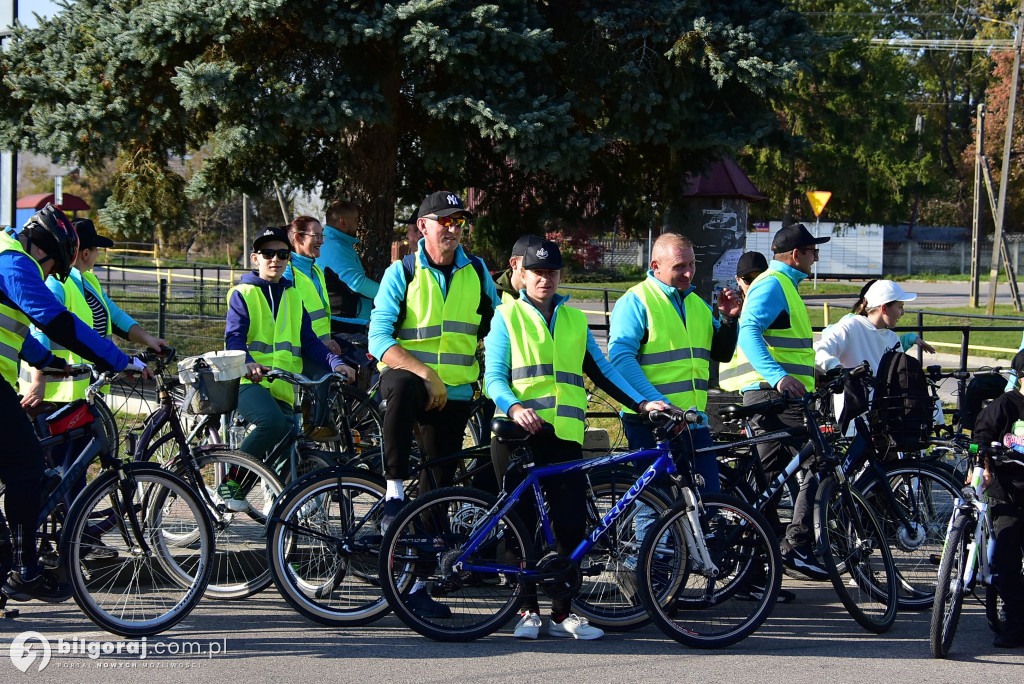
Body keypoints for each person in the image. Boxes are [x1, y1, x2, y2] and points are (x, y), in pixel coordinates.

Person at [485, 238, 670, 640]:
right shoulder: (506, 316)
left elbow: (602, 371)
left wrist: (643, 404)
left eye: (552, 273)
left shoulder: (573, 319)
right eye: (538, 273)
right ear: (523, 275)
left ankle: (562, 613)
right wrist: (514, 406)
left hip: (565, 434)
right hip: (518, 434)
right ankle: (527, 611)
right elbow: (494, 376)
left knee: (570, 524)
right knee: (522, 526)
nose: (545, 279)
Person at [0, 204, 145, 602]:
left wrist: (52, 362)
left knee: (23, 468)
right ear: (45, 250)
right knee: (27, 467)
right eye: (52, 268)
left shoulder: (10, 255)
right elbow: (54, 319)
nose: (48, 276)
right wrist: (119, 360)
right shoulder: (14, 261)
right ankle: (25, 570)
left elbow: (17, 332)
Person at [368, 190, 500, 619]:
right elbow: (378, 339)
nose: (453, 228)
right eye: (444, 221)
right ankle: (392, 489)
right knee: (406, 386)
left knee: (438, 490)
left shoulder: (476, 270)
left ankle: (418, 585)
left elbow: (498, 328)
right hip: (409, 382)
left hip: (456, 395)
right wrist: (427, 374)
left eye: (459, 221)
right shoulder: (401, 272)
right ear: (422, 227)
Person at [223, 227, 354, 505]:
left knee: (288, 440)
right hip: (249, 382)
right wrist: (248, 363)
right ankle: (229, 486)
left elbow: (310, 341)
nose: (275, 259)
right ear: (255, 258)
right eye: (268, 254)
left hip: (284, 386)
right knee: (270, 424)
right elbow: (234, 337)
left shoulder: (294, 296)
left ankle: (282, 511)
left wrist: (336, 363)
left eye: (282, 254)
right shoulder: (243, 293)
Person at [609, 232, 740, 494]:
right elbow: (621, 360)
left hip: (692, 421)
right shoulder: (635, 301)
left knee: (707, 501)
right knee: (657, 507)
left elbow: (722, 354)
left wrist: (728, 320)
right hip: (651, 422)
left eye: (692, 264)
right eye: (679, 266)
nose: (689, 273)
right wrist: (660, 405)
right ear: (655, 266)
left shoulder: (697, 304)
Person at [736, 223, 831, 580]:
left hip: (779, 395)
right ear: (795, 255)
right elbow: (749, 331)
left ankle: (755, 572)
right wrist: (779, 377)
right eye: (811, 251)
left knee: (769, 484)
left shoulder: (784, 286)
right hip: (776, 397)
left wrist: (812, 373)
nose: (816, 257)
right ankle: (797, 545)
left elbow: (784, 343)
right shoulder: (774, 283)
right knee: (821, 463)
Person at [20, 217, 166, 406]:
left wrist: (149, 340)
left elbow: (115, 316)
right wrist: (39, 381)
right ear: (86, 253)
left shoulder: (89, 281)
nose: (99, 255)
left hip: (87, 388)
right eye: (97, 249)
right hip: (53, 392)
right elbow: (38, 327)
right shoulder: (55, 282)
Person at [971, 348, 1024, 648]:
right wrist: (983, 466)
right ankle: (1017, 623)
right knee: (1006, 560)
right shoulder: (1004, 406)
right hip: (1007, 495)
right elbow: (980, 439)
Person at [814, 280, 921, 422]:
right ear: (884, 309)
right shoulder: (851, 326)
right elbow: (818, 350)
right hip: (854, 411)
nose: (903, 312)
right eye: (900, 307)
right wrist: (836, 368)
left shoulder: (892, 337)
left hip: (886, 412)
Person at [318, 200, 378, 334]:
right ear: (343, 222)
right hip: (346, 327)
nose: (358, 224)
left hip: (348, 324)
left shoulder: (335, 244)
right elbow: (357, 284)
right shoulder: (334, 247)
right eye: (356, 220)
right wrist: (392, 295)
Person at [718, 251, 768, 392]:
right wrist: (730, 318)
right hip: (731, 390)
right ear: (738, 280)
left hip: (757, 388)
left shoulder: (771, 306)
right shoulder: (732, 307)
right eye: (748, 279)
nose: (754, 284)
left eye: (760, 278)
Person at [493, 233, 541, 302]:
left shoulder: (549, 300)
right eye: (531, 264)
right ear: (514, 263)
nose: (543, 277)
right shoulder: (490, 295)